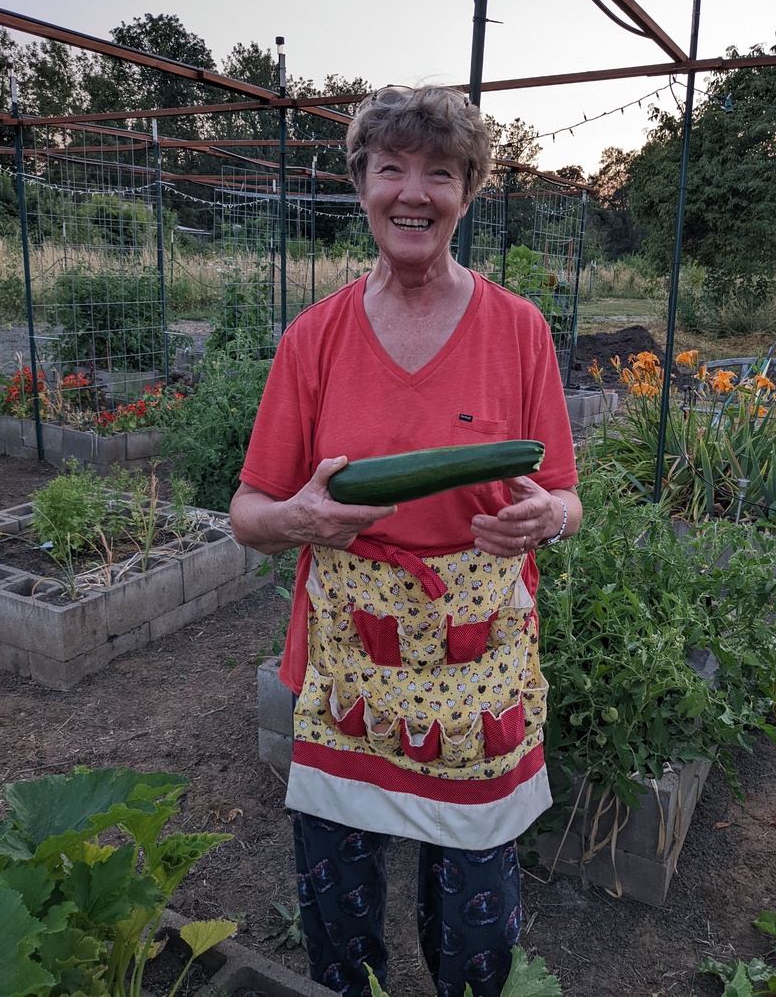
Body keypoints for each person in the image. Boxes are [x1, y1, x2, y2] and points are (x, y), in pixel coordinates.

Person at [230, 84, 582, 997]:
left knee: (474, 931)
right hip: (348, 666)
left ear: (467, 191)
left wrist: (549, 516)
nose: (414, 190)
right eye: (392, 168)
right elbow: (247, 513)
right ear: (362, 185)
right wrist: (300, 518)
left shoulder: (520, 330)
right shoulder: (314, 339)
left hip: (480, 669)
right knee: (339, 922)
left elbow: (567, 496)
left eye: (441, 171)